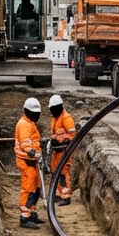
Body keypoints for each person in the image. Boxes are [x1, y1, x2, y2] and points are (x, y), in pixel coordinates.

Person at [15, 97, 43, 229]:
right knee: (28, 188)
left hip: (33, 161)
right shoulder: (24, 124)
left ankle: (32, 213)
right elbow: (25, 141)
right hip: (26, 161)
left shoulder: (30, 122)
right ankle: (24, 218)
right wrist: (30, 151)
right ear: (27, 111)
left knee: (36, 188)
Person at [48, 94, 76, 205]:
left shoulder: (66, 118)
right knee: (56, 172)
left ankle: (66, 196)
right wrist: (53, 140)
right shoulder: (55, 118)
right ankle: (60, 194)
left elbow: (72, 135)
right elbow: (55, 133)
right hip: (57, 151)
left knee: (63, 173)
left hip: (65, 151)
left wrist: (61, 141)